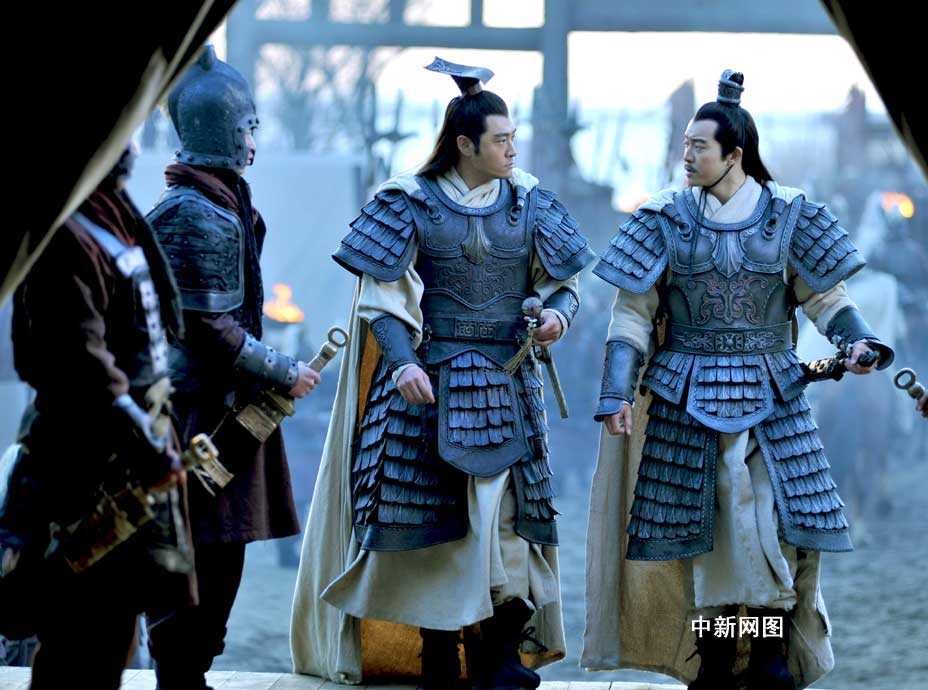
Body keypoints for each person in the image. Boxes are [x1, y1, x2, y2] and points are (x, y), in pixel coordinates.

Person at [583, 70, 895, 690]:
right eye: (685, 144)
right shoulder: (664, 217)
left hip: (774, 397)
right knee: (709, 540)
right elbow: (632, 314)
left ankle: (771, 656)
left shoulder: (790, 214)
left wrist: (856, 340)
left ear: (735, 154)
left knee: (774, 530)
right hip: (685, 399)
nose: (686, 155)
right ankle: (720, 660)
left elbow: (826, 297)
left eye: (699, 145)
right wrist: (616, 392)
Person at [291, 58, 594, 690]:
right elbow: (383, 301)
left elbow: (565, 286)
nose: (513, 150)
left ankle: (498, 659)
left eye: (513, 138)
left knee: (511, 527)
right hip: (427, 391)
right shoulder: (409, 202)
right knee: (430, 529)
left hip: (509, 389)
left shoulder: (530, 201)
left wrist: (557, 318)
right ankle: (436, 658)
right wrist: (402, 363)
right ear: (465, 144)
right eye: (501, 140)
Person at [145, 46, 319, 690]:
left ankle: (189, 673)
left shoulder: (223, 204)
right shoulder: (195, 214)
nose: (252, 141)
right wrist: (283, 371)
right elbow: (208, 328)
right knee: (196, 553)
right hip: (199, 416)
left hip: (224, 412)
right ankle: (180, 677)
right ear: (221, 130)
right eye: (246, 128)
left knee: (222, 554)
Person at [1, 146, 195, 690]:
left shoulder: (114, 216)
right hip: (81, 464)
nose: (130, 147)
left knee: (113, 626)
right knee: (78, 638)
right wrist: (144, 440)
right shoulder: (63, 234)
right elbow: (77, 363)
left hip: (125, 458)